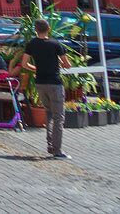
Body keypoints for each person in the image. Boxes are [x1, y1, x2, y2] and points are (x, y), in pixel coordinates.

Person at [17, 19, 68, 159]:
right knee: (58, 117)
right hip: (54, 82)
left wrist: (36, 68)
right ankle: (57, 150)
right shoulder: (55, 44)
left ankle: (50, 144)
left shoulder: (31, 44)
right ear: (49, 28)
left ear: (36, 30)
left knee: (49, 113)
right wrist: (58, 64)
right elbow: (67, 64)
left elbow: (24, 63)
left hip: (40, 82)